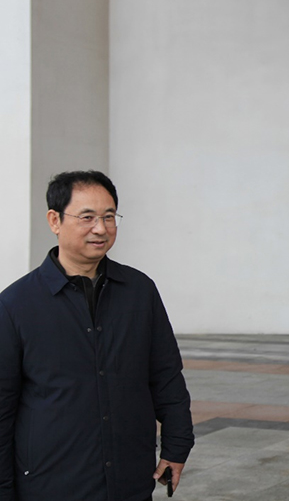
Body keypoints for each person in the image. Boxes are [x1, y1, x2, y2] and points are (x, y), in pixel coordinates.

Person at [0, 171, 193, 501]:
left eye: (109, 216)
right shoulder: (16, 304)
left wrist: (177, 446)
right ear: (55, 220)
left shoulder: (139, 291)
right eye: (87, 217)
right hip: (51, 483)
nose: (101, 228)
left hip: (129, 478)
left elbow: (166, 375)